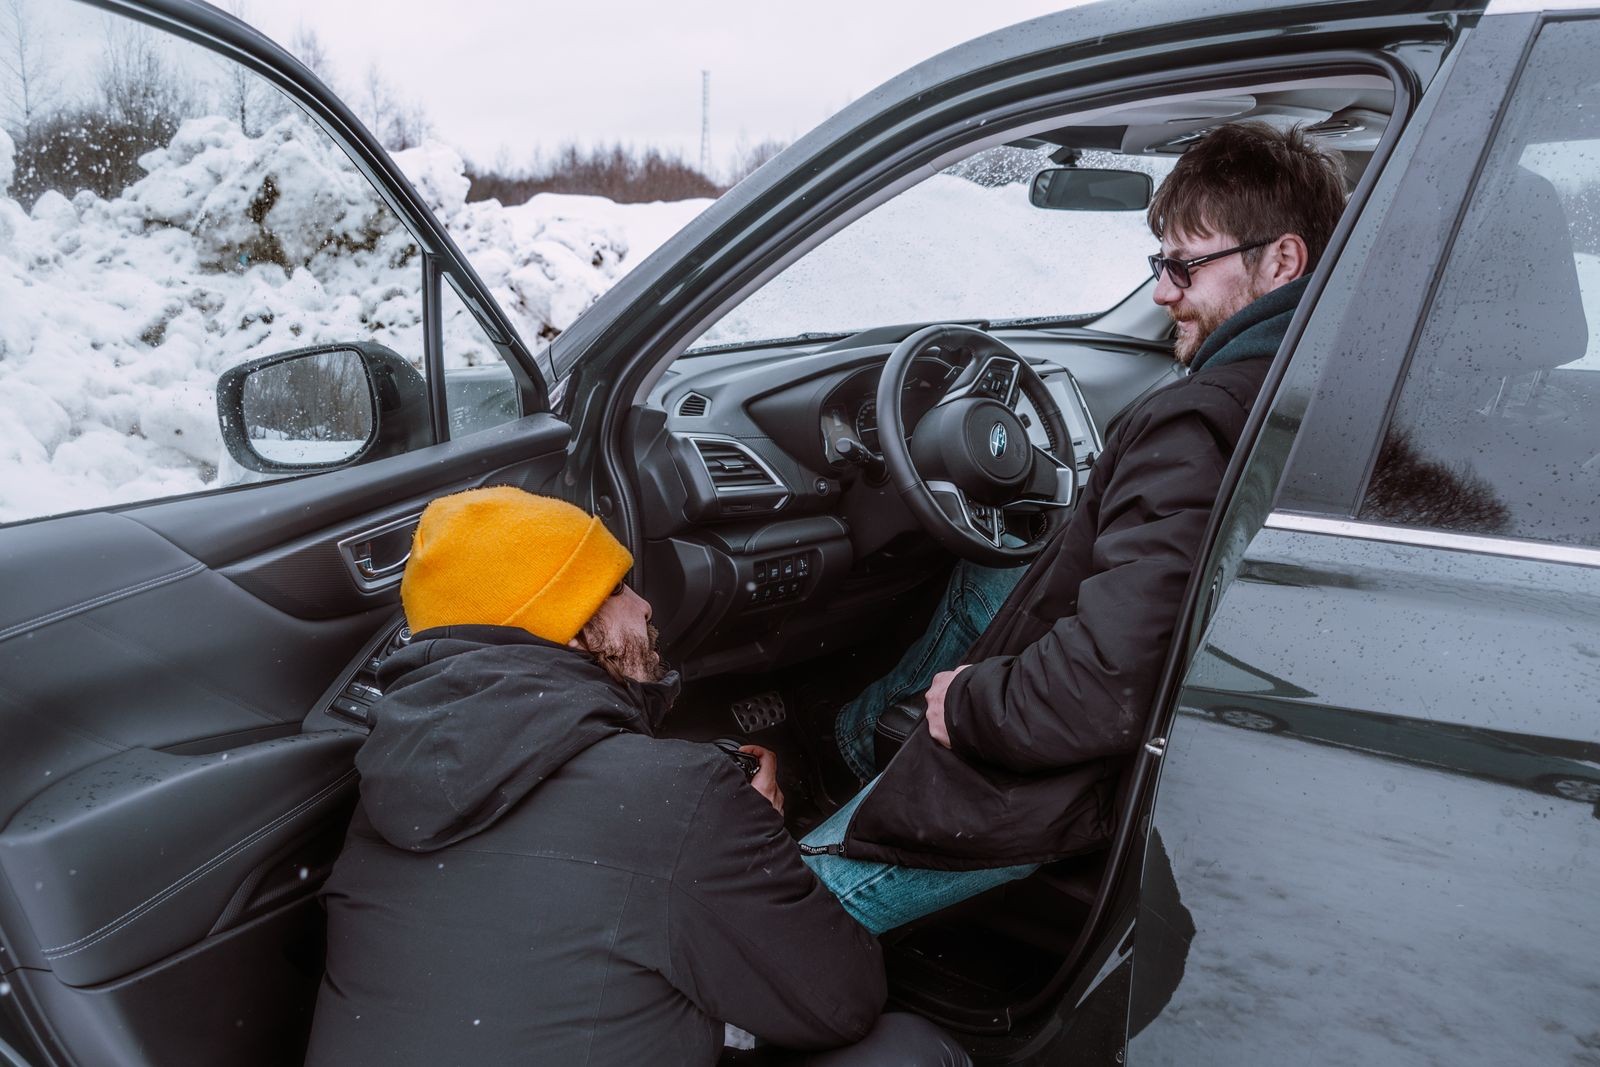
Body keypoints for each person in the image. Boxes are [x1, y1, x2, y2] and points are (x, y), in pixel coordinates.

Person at [799, 121, 1349, 934]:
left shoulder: (1198, 422)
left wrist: (970, 704)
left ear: (1283, 261)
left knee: (765, 927)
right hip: (1124, 723)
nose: (1164, 292)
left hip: (1049, 785)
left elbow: (1105, 687)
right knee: (991, 569)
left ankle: (844, 773)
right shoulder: (1316, 382)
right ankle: (855, 747)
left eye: (1184, 266)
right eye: (1158, 265)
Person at [305, 487, 967, 1066]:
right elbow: (841, 1001)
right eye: (615, 588)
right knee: (908, 1050)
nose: (646, 604)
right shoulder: (678, 797)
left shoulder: (387, 793)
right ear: (563, 627)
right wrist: (758, 845)